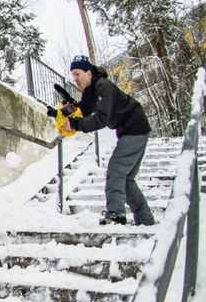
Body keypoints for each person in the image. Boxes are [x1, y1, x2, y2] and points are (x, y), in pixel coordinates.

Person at [62, 55, 156, 226]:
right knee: (126, 180)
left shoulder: (103, 86)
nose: (75, 79)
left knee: (117, 170)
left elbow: (101, 119)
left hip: (134, 127)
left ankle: (116, 215)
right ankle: (146, 221)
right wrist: (65, 110)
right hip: (131, 130)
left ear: (89, 73)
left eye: (77, 74)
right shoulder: (91, 91)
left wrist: (75, 124)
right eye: (73, 75)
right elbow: (83, 110)